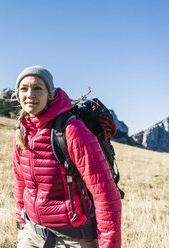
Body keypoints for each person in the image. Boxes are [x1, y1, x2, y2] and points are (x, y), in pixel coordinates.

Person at [12, 65, 122, 248]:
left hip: (73, 239)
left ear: (50, 94)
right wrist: (21, 224)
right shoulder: (22, 130)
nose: (30, 93)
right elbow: (20, 182)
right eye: (24, 88)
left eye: (38, 87)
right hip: (32, 233)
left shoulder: (72, 131)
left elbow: (106, 195)